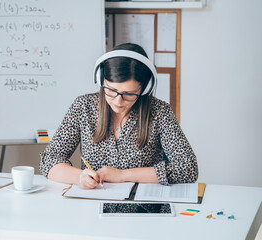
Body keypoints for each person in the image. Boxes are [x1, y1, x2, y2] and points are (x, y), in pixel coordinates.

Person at [39, 43, 198, 189]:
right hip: (93, 204)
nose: (118, 100)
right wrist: (79, 177)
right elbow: (49, 160)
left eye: (129, 94)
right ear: (101, 79)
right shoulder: (83, 107)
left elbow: (188, 168)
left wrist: (122, 175)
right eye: (111, 90)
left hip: (141, 207)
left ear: (144, 89)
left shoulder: (159, 111)